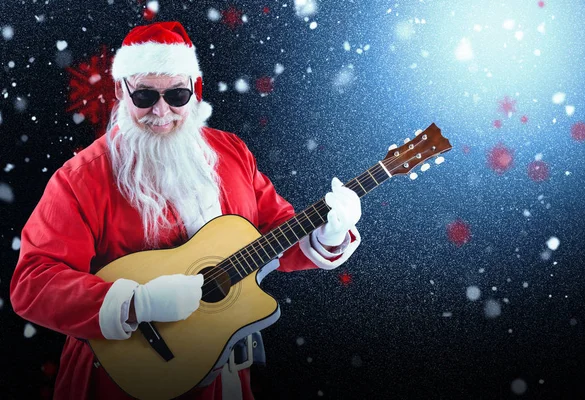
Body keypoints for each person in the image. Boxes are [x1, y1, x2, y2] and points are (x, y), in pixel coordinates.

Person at [10, 21, 362, 400]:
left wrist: (327, 234)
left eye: (176, 94)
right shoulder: (81, 179)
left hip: (227, 379)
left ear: (194, 91)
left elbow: (274, 233)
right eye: (144, 96)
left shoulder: (230, 152)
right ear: (119, 91)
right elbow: (33, 283)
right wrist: (133, 304)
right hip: (118, 384)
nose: (161, 111)